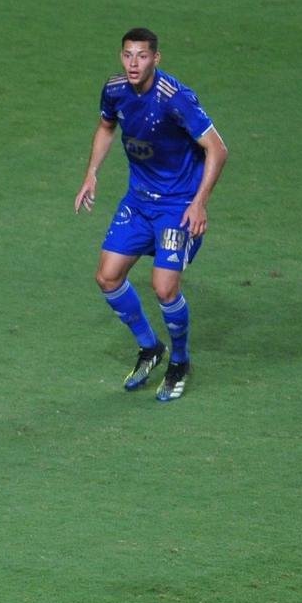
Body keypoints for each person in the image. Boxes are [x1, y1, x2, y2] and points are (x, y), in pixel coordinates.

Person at [74, 27, 228, 401]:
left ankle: (180, 361)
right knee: (107, 277)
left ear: (156, 59)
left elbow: (217, 149)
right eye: (127, 55)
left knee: (164, 288)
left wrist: (199, 201)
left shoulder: (175, 98)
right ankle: (150, 347)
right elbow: (106, 126)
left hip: (177, 207)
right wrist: (91, 173)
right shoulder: (114, 90)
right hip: (138, 202)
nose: (133, 63)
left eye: (142, 56)